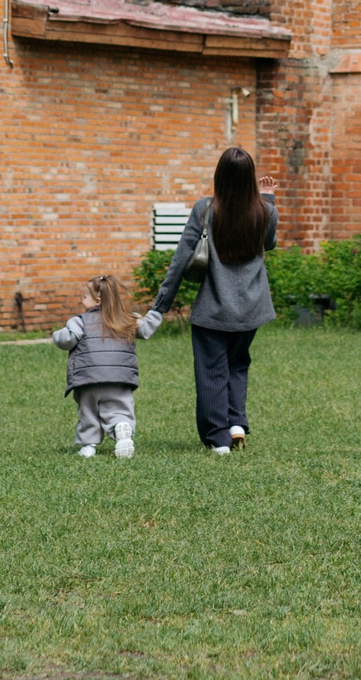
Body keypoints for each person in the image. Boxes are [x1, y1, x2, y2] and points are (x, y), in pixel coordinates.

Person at [144, 146, 278, 454]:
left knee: (211, 371)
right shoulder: (264, 209)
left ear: (219, 176)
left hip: (213, 309)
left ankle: (218, 438)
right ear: (250, 178)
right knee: (237, 365)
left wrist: (159, 308)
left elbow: (180, 261)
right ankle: (236, 423)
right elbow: (269, 243)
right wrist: (268, 198)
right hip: (251, 307)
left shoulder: (205, 209)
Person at [53, 272, 151, 458]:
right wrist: (155, 315)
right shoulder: (127, 319)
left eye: (84, 297)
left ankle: (88, 446)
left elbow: (67, 339)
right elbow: (146, 330)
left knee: (88, 411)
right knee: (120, 407)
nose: (82, 302)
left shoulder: (79, 321)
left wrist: (56, 335)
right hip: (120, 378)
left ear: (97, 301)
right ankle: (121, 429)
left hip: (89, 379)